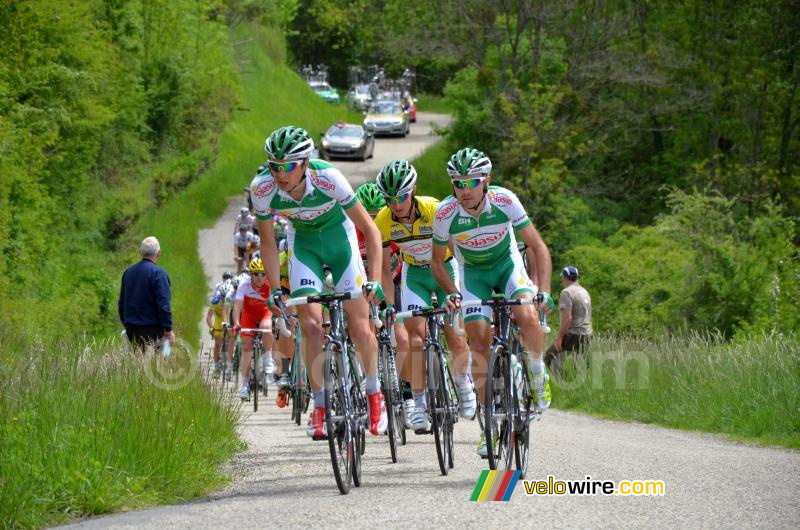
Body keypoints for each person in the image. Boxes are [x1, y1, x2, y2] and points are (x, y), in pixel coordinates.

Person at [250, 125, 387, 438]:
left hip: (341, 240)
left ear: (305, 163)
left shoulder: (328, 177)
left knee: (360, 326)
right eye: (274, 166)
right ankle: (321, 406)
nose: (279, 174)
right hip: (304, 245)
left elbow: (370, 230)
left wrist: (375, 280)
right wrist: (274, 288)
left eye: (287, 166)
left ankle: (374, 394)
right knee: (310, 326)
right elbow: (268, 243)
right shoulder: (262, 188)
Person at [430, 147, 554, 458]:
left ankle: (538, 374)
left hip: (507, 267)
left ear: (486, 181)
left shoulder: (505, 200)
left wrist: (544, 290)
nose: (464, 190)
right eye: (457, 183)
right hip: (473, 275)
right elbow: (436, 263)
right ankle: (488, 429)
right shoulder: (446, 213)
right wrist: (452, 293)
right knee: (479, 342)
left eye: (471, 182)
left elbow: (537, 246)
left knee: (526, 314)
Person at [373, 160, 475, 431]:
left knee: (454, 335)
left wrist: (458, 289)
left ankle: (464, 385)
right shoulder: (383, 219)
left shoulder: (434, 209)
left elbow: (458, 249)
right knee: (415, 339)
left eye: (403, 197)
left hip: (444, 270)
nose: (397, 204)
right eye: (390, 199)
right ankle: (418, 404)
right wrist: (389, 305)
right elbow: (384, 268)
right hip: (414, 274)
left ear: (414, 190)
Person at [118, 236, 175, 352]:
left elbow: (121, 304)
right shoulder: (159, 274)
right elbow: (163, 305)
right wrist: (168, 330)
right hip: (152, 330)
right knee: (152, 366)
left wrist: (126, 323)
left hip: (131, 329)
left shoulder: (128, 272)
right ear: (158, 253)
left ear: (140, 252)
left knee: (135, 364)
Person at [231, 258, 276, 400]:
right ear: (251, 274)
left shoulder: (270, 285)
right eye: (256, 274)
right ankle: (244, 385)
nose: (260, 277)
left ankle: (268, 359)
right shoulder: (244, 285)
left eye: (263, 274)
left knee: (266, 327)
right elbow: (237, 306)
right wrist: (237, 323)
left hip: (265, 313)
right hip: (248, 316)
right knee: (246, 346)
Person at [545, 266, 592, 374]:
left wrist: (560, 338)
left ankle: (563, 381)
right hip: (587, 333)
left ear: (566, 278)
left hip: (573, 334)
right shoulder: (584, 292)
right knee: (582, 364)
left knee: (549, 358)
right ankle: (581, 384)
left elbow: (567, 318)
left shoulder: (566, 292)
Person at [206, 279, 234, 379]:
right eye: (222, 295)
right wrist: (211, 328)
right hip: (219, 321)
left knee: (231, 342)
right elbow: (209, 316)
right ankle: (217, 367)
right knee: (218, 343)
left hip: (230, 320)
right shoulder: (216, 300)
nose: (224, 297)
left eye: (226, 295)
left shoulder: (232, 299)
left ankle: (231, 365)